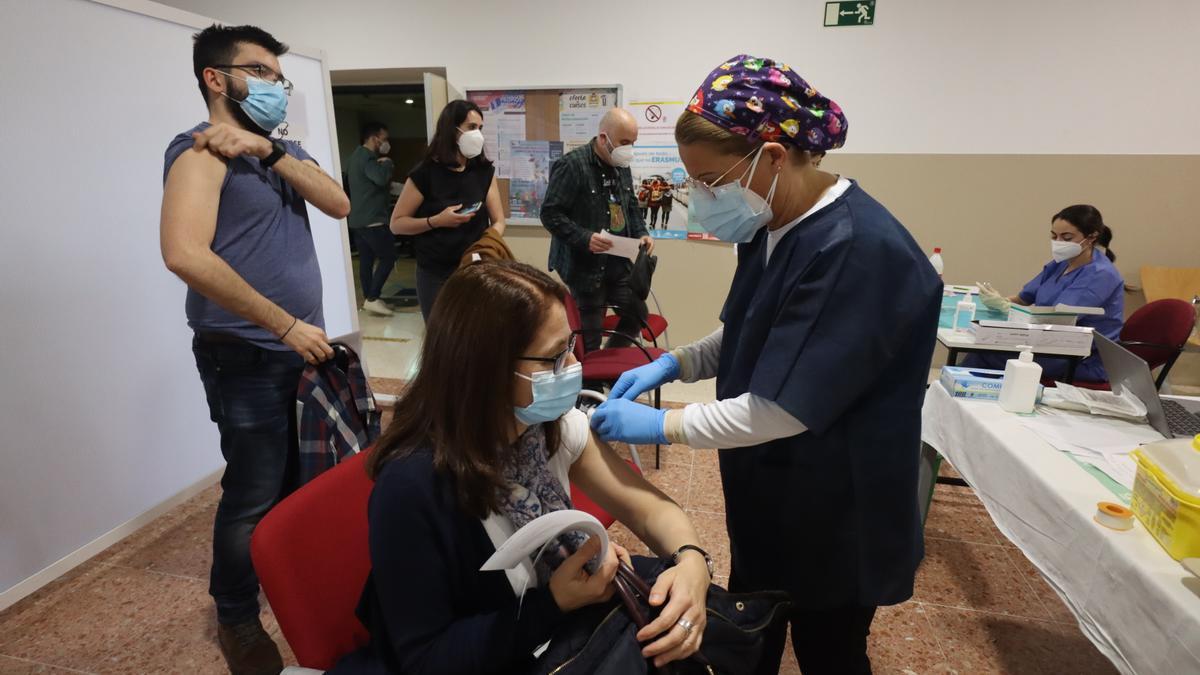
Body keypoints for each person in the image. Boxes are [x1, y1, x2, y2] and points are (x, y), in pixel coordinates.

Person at [587, 55, 942, 675]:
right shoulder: (772, 223)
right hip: (774, 491)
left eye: (710, 181)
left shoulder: (858, 251)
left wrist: (662, 425)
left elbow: (782, 409)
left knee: (829, 648)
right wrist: (674, 362)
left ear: (774, 156)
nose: (701, 198)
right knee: (757, 628)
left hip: (837, 505)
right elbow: (746, 329)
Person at [331, 261, 712, 674]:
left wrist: (691, 563)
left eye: (571, 348)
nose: (572, 369)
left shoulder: (545, 427)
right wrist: (553, 603)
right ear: (486, 369)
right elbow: (427, 658)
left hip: (555, 638)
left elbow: (651, 510)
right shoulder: (412, 488)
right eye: (553, 358)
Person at [159, 24, 350, 675]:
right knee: (253, 492)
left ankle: (296, 585)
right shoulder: (197, 153)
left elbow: (339, 201)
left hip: (306, 352)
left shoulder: (279, 149)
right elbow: (183, 253)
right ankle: (237, 615)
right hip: (245, 354)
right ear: (217, 78)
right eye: (261, 71)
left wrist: (266, 151)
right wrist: (283, 324)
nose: (276, 85)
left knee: (306, 484)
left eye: (278, 75)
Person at [541, 108, 655, 352]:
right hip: (585, 267)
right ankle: (589, 386)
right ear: (604, 138)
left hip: (618, 264)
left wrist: (641, 233)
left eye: (633, 143)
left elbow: (631, 207)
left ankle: (608, 363)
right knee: (589, 337)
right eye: (625, 142)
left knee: (637, 313)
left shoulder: (621, 164)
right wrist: (585, 238)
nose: (629, 149)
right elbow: (550, 214)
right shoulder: (572, 165)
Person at [973, 205, 1124, 381]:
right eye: (1054, 236)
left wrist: (1007, 308)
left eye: (1066, 237)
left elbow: (1058, 319)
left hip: (1081, 358)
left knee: (984, 356)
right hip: (1048, 343)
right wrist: (998, 300)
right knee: (982, 349)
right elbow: (1024, 298)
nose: (1059, 242)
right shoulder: (1060, 263)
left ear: (1091, 237)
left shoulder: (1101, 274)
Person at [389, 100, 507, 320]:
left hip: (475, 269)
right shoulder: (425, 173)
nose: (478, 135)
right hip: (436, 273)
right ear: (451, 129)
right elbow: (397, 224)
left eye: (480, 128)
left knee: (476, 336)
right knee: (440, 339)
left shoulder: (483, 171)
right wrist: (435, 221)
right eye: (472, 127)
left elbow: (499, 221)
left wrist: (484, 245)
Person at [348, 121, 397, 316]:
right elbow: (381, 179)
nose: (385, 143)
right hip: (373, 219)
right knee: (388, 257)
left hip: (358, 219)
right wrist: (388, 163)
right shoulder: (368, 158)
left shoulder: (354, 157)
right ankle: (373, 297)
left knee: (366, 260)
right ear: (374, 138)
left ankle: (370, 298)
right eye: (384, 139)